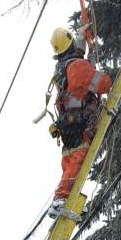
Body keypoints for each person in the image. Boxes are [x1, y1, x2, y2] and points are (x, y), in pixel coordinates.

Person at [47, 27, 112, 218]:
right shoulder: (77, 67)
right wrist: (109, 75)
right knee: (78, 160)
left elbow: (76, 54)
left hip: (66, 124)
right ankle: (62, 199)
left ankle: (68, 198)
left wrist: (82, 37)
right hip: (80, 122)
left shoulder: (62, 67)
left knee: (69, 162)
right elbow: (103, 84)